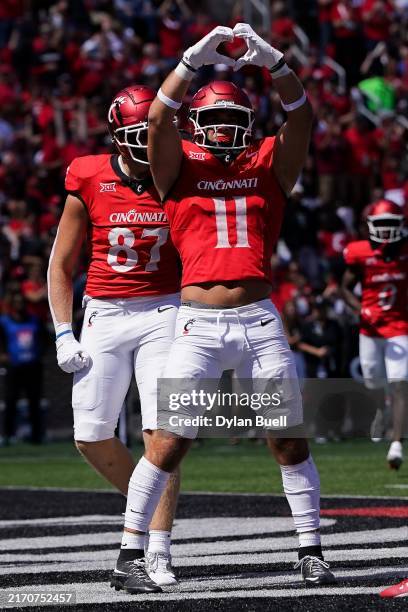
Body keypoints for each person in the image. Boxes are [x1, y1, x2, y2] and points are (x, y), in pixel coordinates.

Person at [112, 24, 337, 593]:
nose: (222, 131)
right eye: (212, 121)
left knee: (288, 437)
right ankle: (129, 553)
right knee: (168, 440)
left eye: (233, 121)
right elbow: (159, 121)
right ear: (197, 125)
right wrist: (190, 62)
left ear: (248, 126)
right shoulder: (177, 166)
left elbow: (303, 120)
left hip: (260, 320)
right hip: (198, 324)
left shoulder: (268, 162)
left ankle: (310, 549)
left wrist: (277, 64)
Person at [47, 85, 181, 591]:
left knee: (161, 432)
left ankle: (158, 549)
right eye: (137, 135)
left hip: (165, 309)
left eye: (154, 131)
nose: (147, 143)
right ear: (117, 138)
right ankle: (142, 507)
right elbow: (61, 262)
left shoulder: (179, 171)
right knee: (90, 433)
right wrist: (63, 330)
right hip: (104, 310)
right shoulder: (89, 174)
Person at [342, 199, 408, 469]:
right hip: (370, 329)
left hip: (399, 327)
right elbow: (344, 288)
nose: (386, 231)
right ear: (370, 225)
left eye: (391, 224)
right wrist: (360, 310)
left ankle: (396, 444)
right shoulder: (359, 253)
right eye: (381, 224)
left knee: (400, 382)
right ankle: (381, 409)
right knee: (373, 380)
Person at [0, 291, 44, 445]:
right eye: (16, 302)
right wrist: (3, 355)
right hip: (14, 367)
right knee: (10, 400)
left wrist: (39, 354)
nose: (20, 305)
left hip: (32, 367)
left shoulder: (34, 321)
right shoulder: (5, 322)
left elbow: (44, 340)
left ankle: (37, 435)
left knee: (34, 401)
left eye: (22, 302)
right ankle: (7, 435)